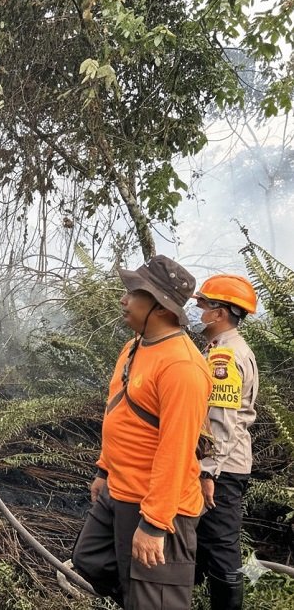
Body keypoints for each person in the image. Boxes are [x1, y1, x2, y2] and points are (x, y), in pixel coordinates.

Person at [72, 255, 212, 610]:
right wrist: (104, 470)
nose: (124, 299)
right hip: (120, 491)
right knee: (89, 560)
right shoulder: (134, 347)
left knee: (155, 600)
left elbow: (177, 451)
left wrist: (154, 525)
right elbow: (118, 409)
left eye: (134, 293)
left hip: (160, 505)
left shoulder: (182, 367)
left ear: (161, 307)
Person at [187, 275, 259, 610]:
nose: (196, 310)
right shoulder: (220, 348)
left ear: (220, 313)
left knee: (220, 547)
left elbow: (221, 420)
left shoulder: (225, 357)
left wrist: (208, 472)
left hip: (222, 468)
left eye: (202, 305)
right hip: (221, 465)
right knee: (205, 544)